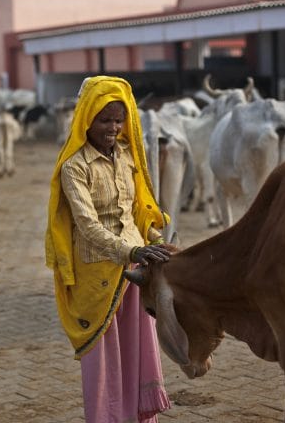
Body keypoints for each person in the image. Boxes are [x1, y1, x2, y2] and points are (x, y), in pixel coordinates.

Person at [45, 75, 173, 422]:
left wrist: (155, 241)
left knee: (136, 348)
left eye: (119, 119)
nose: (113, 127)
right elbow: (87, 227)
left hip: (135, 271)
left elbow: (136, 211)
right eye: (104, 120)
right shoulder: (74, 167)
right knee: (102, 360)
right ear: (87, 119)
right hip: (97, 275)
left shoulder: (130, 157)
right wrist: (131, 253)